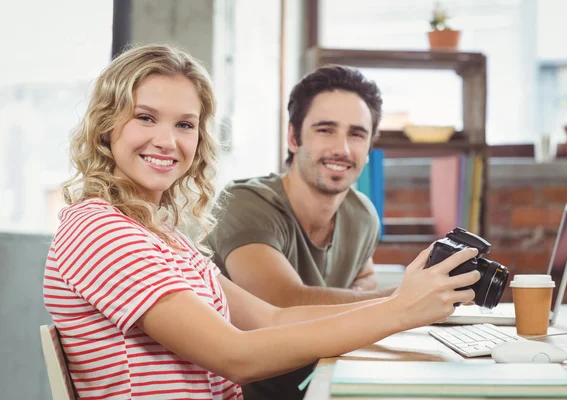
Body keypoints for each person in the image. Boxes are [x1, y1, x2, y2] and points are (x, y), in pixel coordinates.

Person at [43, 44, 480, 400]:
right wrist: (402, 309)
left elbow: (272, 319)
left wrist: (408, 301)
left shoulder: (162, 237)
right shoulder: (99, 230)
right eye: (145, 117)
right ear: (106, 126)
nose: (167, 140)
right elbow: (237, 355)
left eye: (185, 124)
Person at [204, 64, 390, 398]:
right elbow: (281, 301)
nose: (342, 149)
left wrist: (363, 294)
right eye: (325, 130)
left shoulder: (363, 216)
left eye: (357, 134)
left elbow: (365, 276)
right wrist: (402, 301)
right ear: (293, 137)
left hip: (322, 385)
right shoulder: (246, 203)